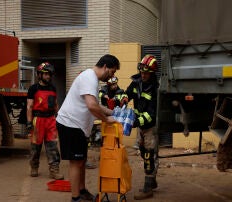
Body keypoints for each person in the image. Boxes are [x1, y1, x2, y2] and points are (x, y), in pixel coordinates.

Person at [56, 54, 119, 202]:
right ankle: (75, 198)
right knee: (75, 162)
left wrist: (113, 112)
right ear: (105, 67)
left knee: (81, 160)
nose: (111, 76)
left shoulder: (91, 79)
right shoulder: (89, 78)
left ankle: (82, 191)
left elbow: (95, 104)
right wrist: (106, 120)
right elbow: (91, 106)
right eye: (112, 72)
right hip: (70, 124)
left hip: (77, 127)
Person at [125, 54, 159, 200]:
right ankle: (152, 181)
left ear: (152, 73)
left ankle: (148, 188)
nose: (143, 74)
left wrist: (135, 122)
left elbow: (151, 114)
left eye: (146, 72)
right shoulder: (136, 82)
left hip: (150, 126)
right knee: (143, 150)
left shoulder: (155, 88)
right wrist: (121, 99)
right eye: (142, 71)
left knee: (149, 155)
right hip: (140, 126)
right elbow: (127, 94)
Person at [26, 62, 64, 180]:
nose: (48, 76)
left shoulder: (53, 88)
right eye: (46, 74)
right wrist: (29, 122)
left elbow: (56, 104)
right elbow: (29, 106)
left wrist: (59, 118)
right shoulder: (33, 89)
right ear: (40, 75)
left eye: (49, 74)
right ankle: (34, 167)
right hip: (38, 120)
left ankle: (54, 170)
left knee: (52, 146)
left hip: (51, 120)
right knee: (35, 147)